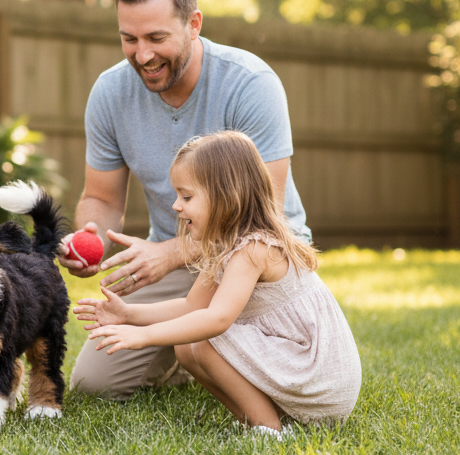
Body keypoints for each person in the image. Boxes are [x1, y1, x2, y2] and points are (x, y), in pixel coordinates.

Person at [63, 0, 312, 401]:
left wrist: (169, 253)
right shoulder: (110, 92)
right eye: (129, 38)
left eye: (157, 37)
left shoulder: (250, 84)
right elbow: (100, 197)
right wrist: (89, 240)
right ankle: (184, 356)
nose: (143, 54)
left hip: (262, 260)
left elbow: (261, 214)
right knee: (92, 386)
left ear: (194, 23)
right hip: (181, 258)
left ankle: (198, 350)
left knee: (231, 356)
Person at [74, 131, 361, 433]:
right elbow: (190, 306)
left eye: (186, 196)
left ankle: (269, 429)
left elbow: (217, 319)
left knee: (205, 338)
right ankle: (257, 423)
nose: (175, 205)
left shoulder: (254, 248)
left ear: (226, 197)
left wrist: (145, 337)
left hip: (321, 380)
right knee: (187, 347)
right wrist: (129, 316)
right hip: (297, 367)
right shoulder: (224, 245)